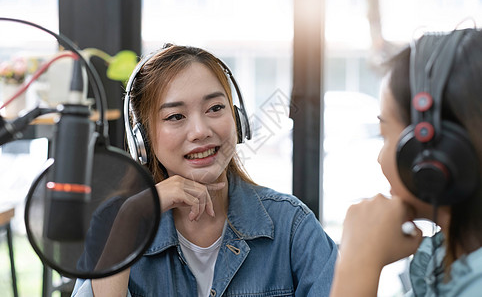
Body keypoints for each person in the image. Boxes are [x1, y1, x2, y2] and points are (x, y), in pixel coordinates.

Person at [72, 44, 338, 296]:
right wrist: (132, 218)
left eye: (215, 108)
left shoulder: (292, 226)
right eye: (175, 116)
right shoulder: (117, 224)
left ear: (237, 120)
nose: (200, 131)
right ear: (143, 139)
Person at [330, 28, 482, 296]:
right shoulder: (445, 261)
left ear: (437, 151)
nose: (379, 158)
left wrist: (358, 261)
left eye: (385, 135)